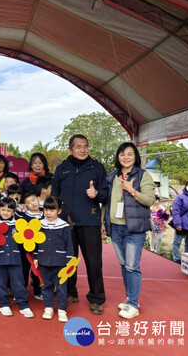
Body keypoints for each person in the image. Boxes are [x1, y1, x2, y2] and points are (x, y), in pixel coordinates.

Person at [51, 134, 108, 315]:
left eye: (85, 146)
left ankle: (96, 299)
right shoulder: (62, 168)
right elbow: (54, 195)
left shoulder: (97, 168)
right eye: (78, 146)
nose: (82, 150)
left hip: (89, 221)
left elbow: (106, 195)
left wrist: (96, 194)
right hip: (66, 223)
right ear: (70, 149)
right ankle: (70, 292)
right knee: (68, 261)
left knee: (94, 262)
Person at [103, 142, 156, 319]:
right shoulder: (111, 177)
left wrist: (131, 190)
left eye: (130, 154)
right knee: (124, 264)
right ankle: (130, 298)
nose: (125, 157)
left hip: (134, 228)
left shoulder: (143, 176)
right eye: (122, 154)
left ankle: (133, 304)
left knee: (132, 266)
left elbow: (149, 200)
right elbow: (107, 202)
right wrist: (103, 221)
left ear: (135, 157)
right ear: (118, 157)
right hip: (115, 226)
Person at [33, 196, 73, 322]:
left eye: (52, 210)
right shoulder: (40, 224)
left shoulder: (64, 226)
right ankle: (48, 307)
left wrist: (69, 261)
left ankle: (62, 309)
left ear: (59, 211)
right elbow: (36, 242)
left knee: (61, 286)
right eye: (46, 210)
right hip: (44, 260)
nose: (48, 213)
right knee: (46, 285)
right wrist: (35, 257)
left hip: (60, 262)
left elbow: (69, 245)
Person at [0, 197, 34, 318]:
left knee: (18, 282)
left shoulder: (18, 224)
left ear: (14, 211)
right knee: (0, 282)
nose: (5, 212)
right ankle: (4, 304)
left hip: (15, 258)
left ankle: (24, 305)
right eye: (3, 209)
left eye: (9, 210)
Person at [171, 180, 188, 264]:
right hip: (181, 225)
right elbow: (175, 211)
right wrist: (177, 224)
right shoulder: (180, 197)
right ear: (186, 186)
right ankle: (177, 259)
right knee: (177, 243)